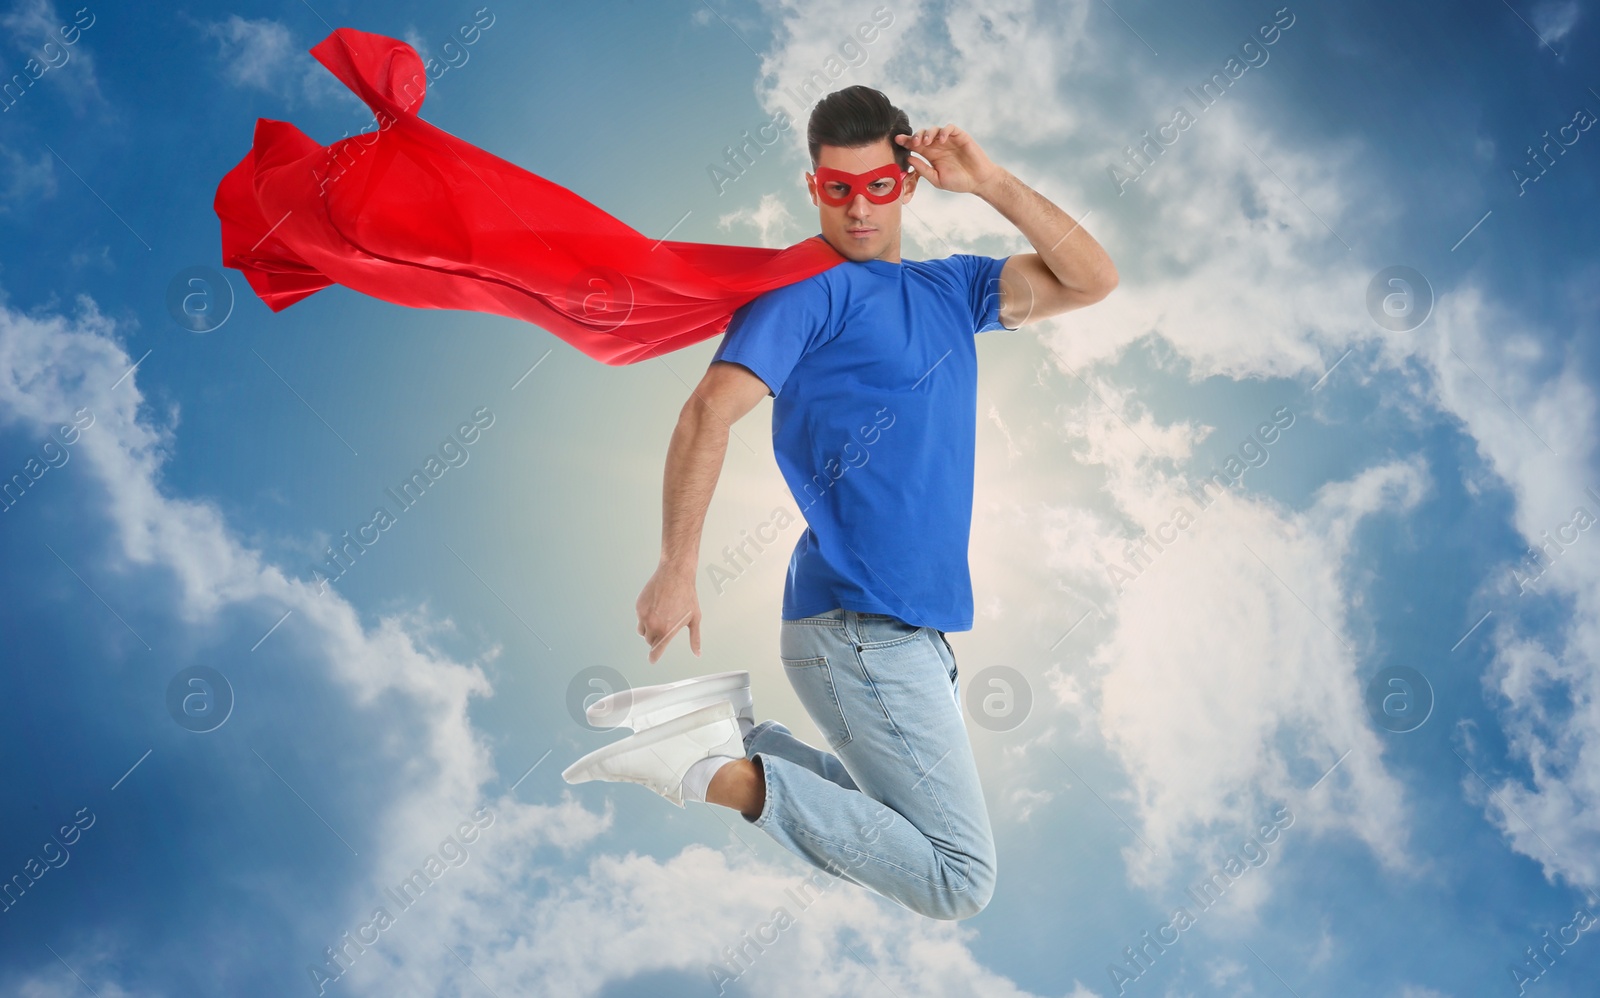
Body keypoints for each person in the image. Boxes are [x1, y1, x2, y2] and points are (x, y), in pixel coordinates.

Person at [563, 85, 1117, 921]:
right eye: (837, 189)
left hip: (912, 634)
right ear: (813, 186)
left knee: (902, 833)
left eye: (878, 186)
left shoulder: (955, 292)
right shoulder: (806, 294)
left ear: (910, 181)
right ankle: (709, 767)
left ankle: (730, 737)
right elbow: (709, 409)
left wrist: (993, 183)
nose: (859, 208)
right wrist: (678, 566)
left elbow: (1092, 279)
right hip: (859, 627)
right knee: (958, 878)